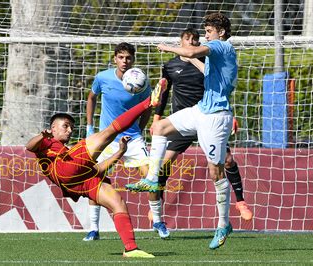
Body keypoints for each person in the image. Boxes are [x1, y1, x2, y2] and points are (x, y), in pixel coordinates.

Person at [126, 13, 237, 250]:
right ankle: (152, 179)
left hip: (216, 118)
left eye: (208, 31)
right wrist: (187, 58)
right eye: (205, 31)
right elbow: (198, 63)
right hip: (201, 110)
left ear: (221, 32)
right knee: (160, 127)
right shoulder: (216, 53)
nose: (205, 36)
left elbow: (190, 52)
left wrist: (166, 47)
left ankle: (223, 224)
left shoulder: (222, 46)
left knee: (216, 173)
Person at [25, 83, 163, 258]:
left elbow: (97, 169)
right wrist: (41, 136)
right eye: (65, 126)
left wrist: (120, 152)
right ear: (53, 128)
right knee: (109, 131)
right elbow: (29, 146)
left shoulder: (68, 150)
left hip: (78, 182)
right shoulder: (47, 141)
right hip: (64, 167)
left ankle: (131, 248)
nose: (69, 130)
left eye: (71, 127)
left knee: (118, 203)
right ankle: (148, 102)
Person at [83, 42, 169, 241]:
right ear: (115, 58)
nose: (124, 61)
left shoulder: (142, 82)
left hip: (133, 138)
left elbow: (148, 106)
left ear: (133, 60)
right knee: (96, 179)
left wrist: (139, 128)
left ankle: (157, 221)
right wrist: (89, 127)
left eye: (128, 58)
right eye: (121, 57)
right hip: (107, 138)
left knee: (151, 178)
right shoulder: (103, 77)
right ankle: (94, 229)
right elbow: (91, 98)